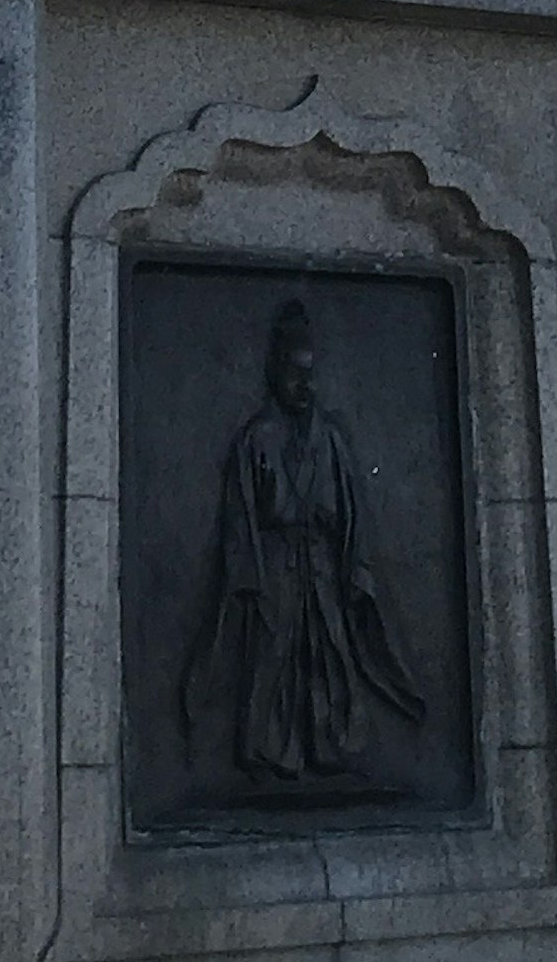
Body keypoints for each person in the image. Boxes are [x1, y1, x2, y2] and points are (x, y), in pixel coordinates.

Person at [183, 296, 428, 784]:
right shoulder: (256, 438)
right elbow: (242, 514)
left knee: (330, 651)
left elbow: (352, 507)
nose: (305, 385)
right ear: (275, 372)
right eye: (295, 373)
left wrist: (352, 564)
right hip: (273, 564)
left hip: (321, 563)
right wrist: (248, 574)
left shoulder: (330, 438)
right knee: (273, 657)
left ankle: (332, 745)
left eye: (311, 373)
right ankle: (266, 750)